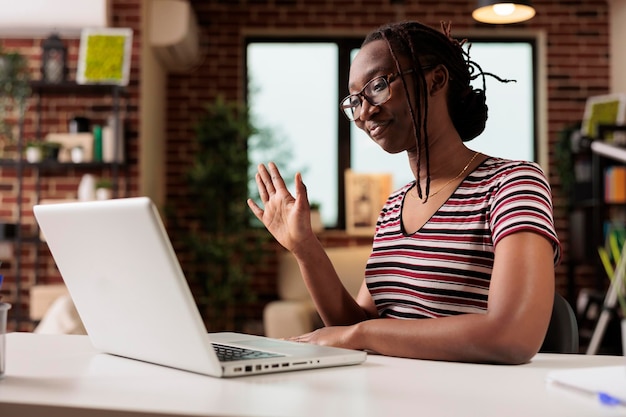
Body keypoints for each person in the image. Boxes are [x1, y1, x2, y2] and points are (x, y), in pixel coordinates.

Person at [247, 21, 561, 365]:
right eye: (355, 100)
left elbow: (513, 337)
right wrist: (305, 248)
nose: (364, 111)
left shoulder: (511, 183)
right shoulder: (395, 204)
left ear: (435, 80)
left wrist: (361, 335)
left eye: (378, 86)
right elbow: (354, 327)